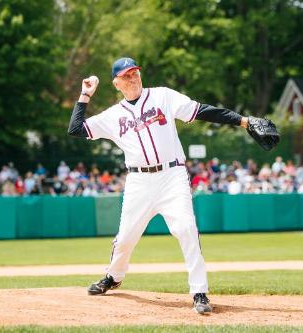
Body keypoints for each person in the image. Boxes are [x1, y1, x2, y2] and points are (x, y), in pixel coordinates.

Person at [67, 57, 278, 314]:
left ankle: (199, 292)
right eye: (127, 75)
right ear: (116, 83)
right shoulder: (112, 116)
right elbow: (75, 128)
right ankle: (113, 276)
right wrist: (85, 95)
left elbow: (201, 110)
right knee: (125, 238)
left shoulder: (163, 97)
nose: (133, 77)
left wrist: (243, 121)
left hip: (172, 176)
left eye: (135, 72)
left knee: (187, 228)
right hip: (138, 182)